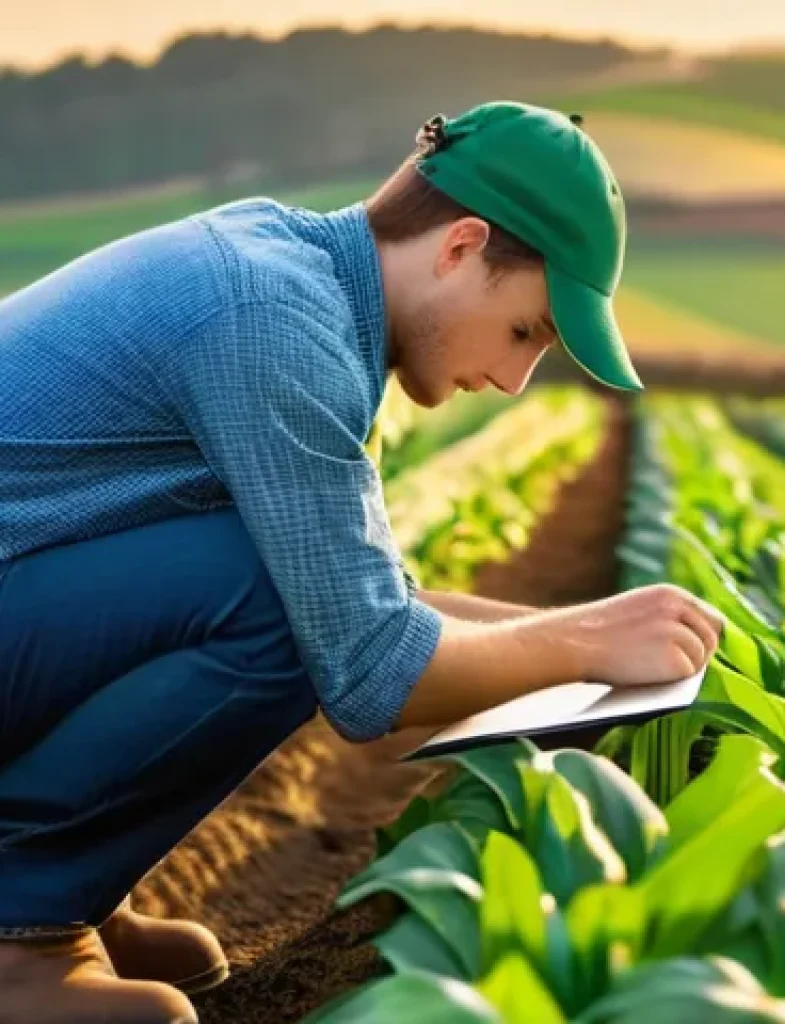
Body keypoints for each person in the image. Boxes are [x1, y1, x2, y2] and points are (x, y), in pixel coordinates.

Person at [0, 101, 723, 1023]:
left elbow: (378, 598)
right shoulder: (273, 323)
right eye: (524, 333)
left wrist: (608, 633)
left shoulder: (298, 284)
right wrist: (585, 645)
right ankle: (21, 924)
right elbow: (372, 667)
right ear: (461, 247)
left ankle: (71, 896)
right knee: (273, 599)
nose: (512, 381)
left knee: (286, 581)